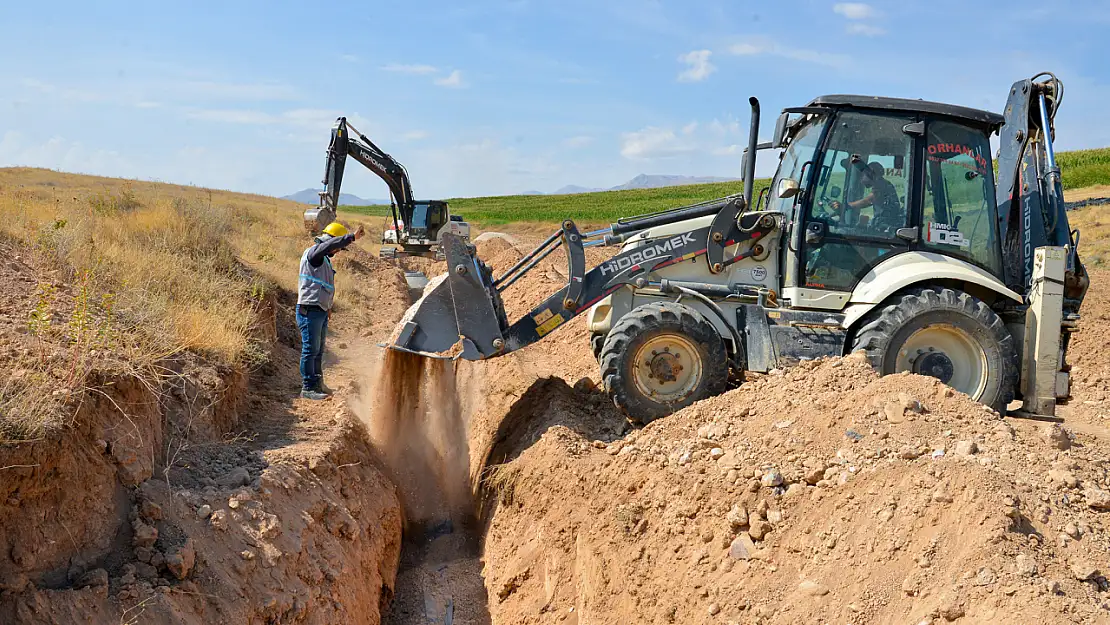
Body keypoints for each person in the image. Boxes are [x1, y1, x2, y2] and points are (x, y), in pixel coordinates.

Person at [297, 221, 364, 400]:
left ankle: (318, 384)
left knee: (318, 350)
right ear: (330, 241)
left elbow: (323, 286)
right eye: (338, 248)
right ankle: (308, 387)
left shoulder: (323, 259)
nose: (338, 252)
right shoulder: (315, 253)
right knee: (310, 349)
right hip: (309, 309)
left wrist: (327, 308)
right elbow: (330, 245)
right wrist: (351, 238)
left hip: (319, 310)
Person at [832, 161, 903, 231]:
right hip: (884, 224)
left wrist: (847, 206)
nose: (861, 179)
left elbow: (869, 200)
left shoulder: (881, 184)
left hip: (885, 226)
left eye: (863, 175)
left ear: (870, 173)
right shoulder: (884, 183)